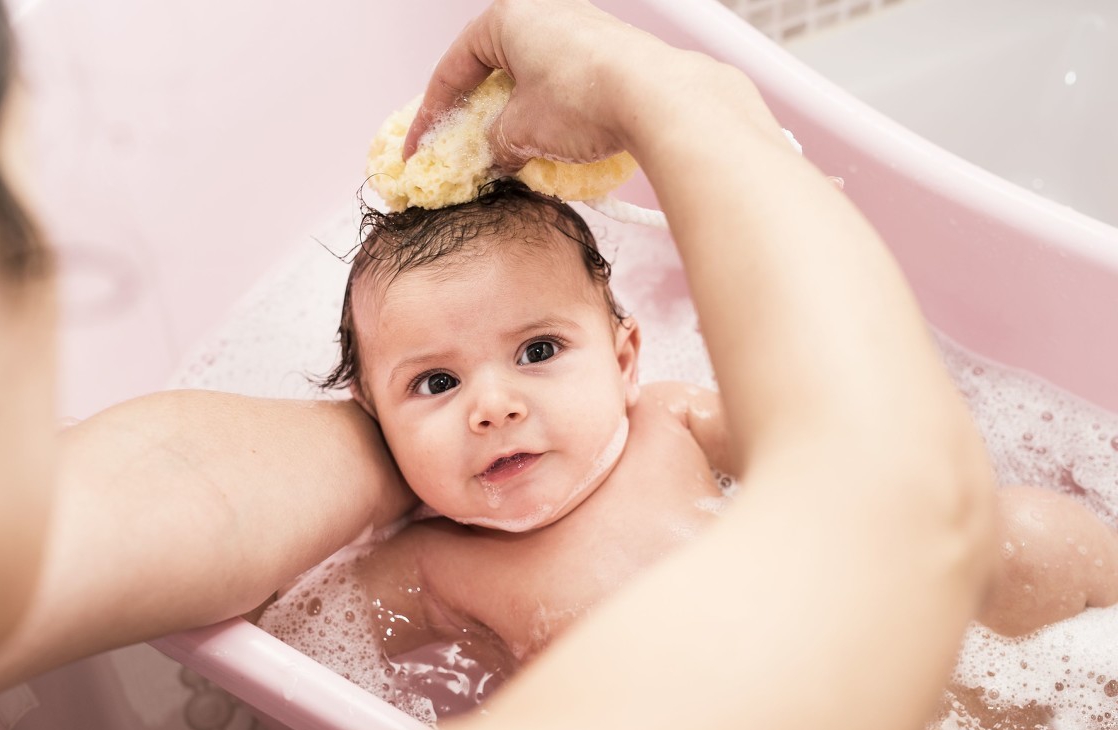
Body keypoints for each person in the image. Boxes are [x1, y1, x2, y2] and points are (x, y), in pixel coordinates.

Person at [0, 1, 1002, 730]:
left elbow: (166, 491)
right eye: (40, 236)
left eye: (537, 348)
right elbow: (900, 505)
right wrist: (678, 99)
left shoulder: (659, 419)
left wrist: (447, 427)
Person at [308, 177, 1117, 666]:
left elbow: (825, 450)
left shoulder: (670, 418)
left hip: (886, 661)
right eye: (437, 382)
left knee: (1039, 533)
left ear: (625, 360)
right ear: (374, 421)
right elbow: (315, 635)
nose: (495, 406)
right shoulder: (432, 564)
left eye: (539, 350)